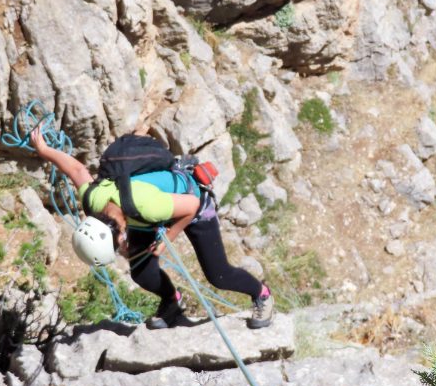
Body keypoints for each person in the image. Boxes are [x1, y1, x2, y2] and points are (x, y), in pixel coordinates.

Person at [30, 127, 274, 330]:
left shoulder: (145, 205)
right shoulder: (94, 199)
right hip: (143, 215)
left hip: (192, 203)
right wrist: (44, 150)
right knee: (142, 271)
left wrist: (168, 237)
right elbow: (76, 170)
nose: (121, 250)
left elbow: (192, 205)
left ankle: (262, 294)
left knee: (218, 274)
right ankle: (172, 303)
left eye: (117, 247)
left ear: (119, 234)